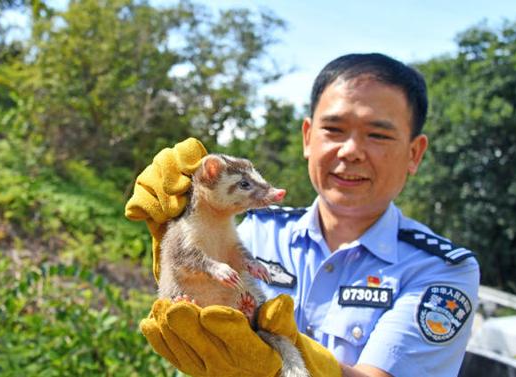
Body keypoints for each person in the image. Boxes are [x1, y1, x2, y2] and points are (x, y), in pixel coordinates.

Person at [130, 53, 480, 377]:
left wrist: (286, 365)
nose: (351, 151)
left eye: (377, 134)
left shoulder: (441, 269)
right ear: (308, 137)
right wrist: (178, 231)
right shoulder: (255, 229)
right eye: (334, 129)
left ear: (414, 153)